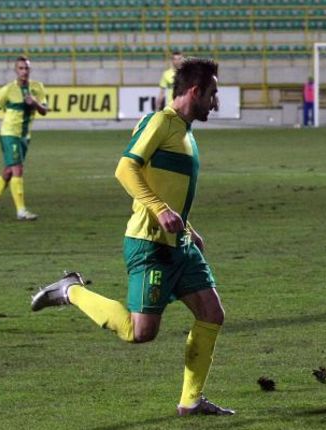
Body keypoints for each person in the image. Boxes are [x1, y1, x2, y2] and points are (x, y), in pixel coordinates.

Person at [30, 58, 234, 416]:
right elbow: (125, 167)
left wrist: (186, 226)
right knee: (140, 332)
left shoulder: (184, 131)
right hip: (150, 245)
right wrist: (159, 209)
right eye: (212, 94)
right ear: (195, 91)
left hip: (179, 245)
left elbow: (168, 186)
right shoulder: (161, 122)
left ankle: (191, 401)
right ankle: (69, 291)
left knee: (212, 314)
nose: (215, 102)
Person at [0, 56, 48, 221]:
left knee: (8, 172)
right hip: (9, 133)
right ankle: (21, 211)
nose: (24, 71)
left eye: (26, 68)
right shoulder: (7, 90)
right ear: (16, 70)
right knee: (18, 169)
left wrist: (34, 102)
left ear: (30, 70)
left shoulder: (37, 88)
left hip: (24, 136)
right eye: (21, 68)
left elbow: (44, 111)